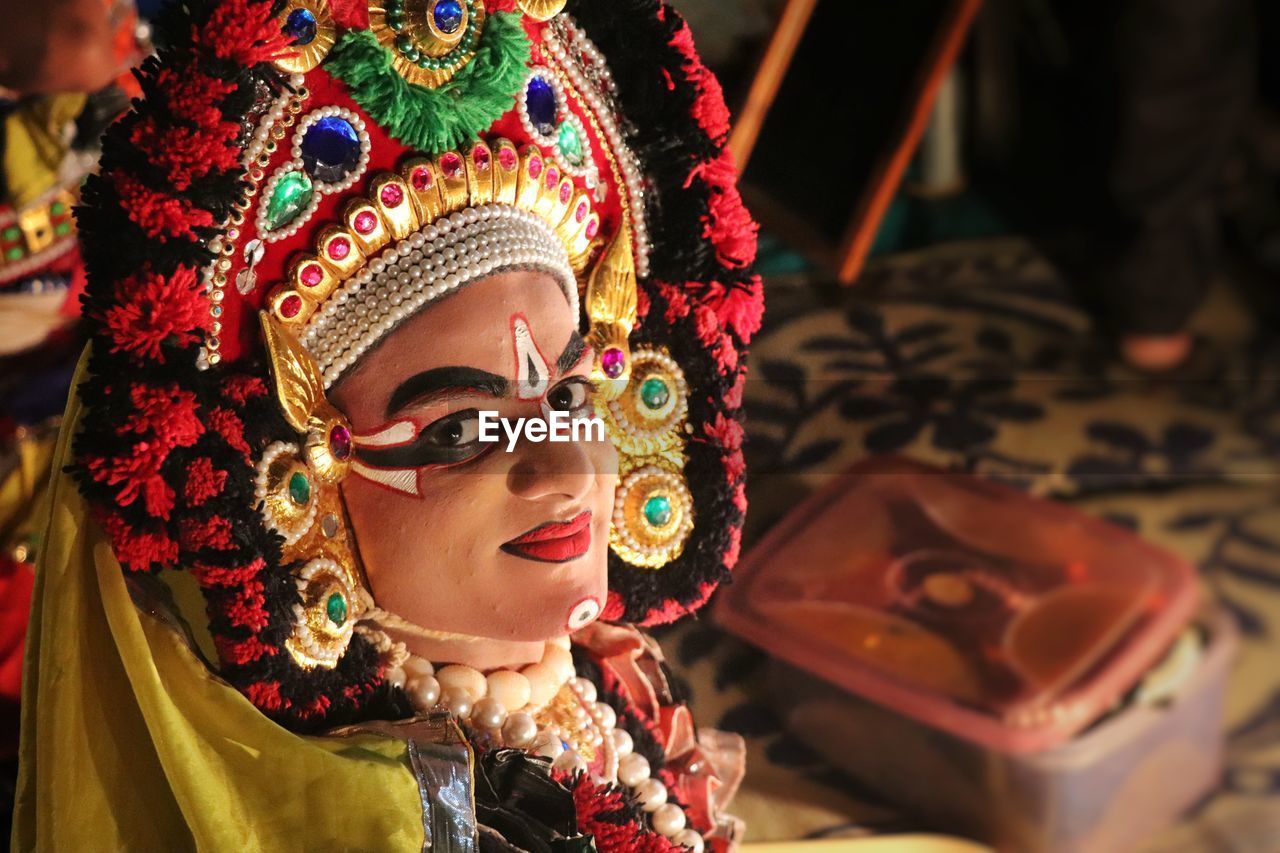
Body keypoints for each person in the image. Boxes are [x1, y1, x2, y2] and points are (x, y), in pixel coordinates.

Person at [12, 0, 764, 849]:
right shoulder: (385, 817)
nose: (563, 472)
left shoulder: (595, 676)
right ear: (303, 492)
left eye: (569, 398)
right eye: (460, 432)